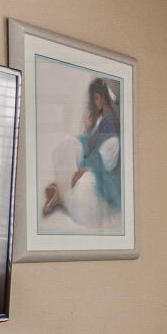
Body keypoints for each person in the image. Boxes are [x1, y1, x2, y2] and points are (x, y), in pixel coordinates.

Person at [41, 77, 121, 225]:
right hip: (88, 160)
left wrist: (85, 170)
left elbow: (106, 158)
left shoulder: (111, 123)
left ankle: (63, 198)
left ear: (102, 98)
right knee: (67, 144)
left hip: (101, 174)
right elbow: (89, 144)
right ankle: (62, 194)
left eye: (96, 99)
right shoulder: (99, 118)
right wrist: (88, 128)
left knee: (84, 184)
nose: (94, 103)